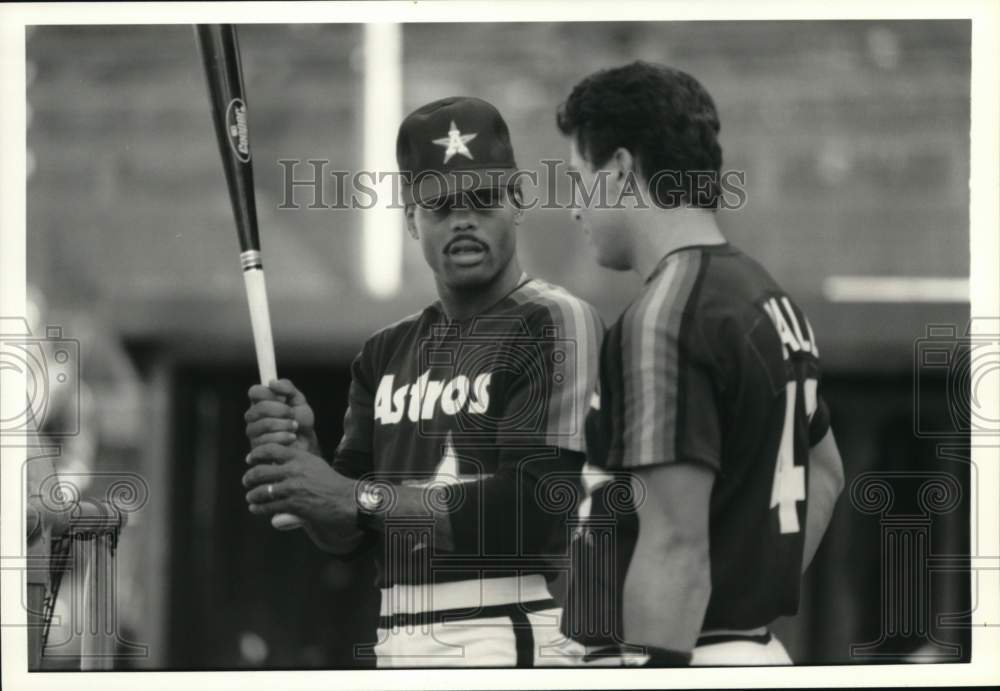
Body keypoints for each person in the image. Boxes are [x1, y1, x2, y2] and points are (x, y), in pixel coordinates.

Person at [241, 96, 603, 668]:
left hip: (506, 631)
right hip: (395, 636)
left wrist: (352, 497)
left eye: (483, 199)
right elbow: (350, 535)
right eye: (439, 205)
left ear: (517, 203)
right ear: (410, 218)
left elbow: (536, 509)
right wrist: (305, 471)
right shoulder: (384, 353)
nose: (463, 219)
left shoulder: (553, 320)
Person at [554, 61, 845, 666]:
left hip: (682, 654)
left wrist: (662, 665)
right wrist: (746, 599)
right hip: (741, 648)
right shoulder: (763, 294)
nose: (574, 208)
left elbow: (674, 547)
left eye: (578, 179)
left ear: (622, 169)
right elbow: (827, 473)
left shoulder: (669, 314)